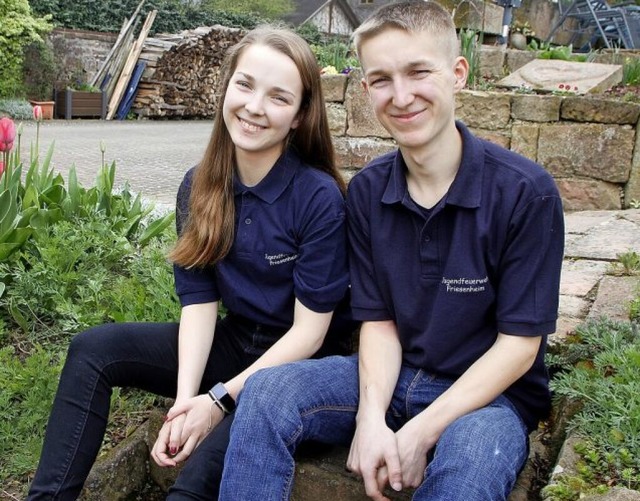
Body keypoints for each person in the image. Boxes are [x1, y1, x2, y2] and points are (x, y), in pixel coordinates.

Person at [218, 2, 565, 500]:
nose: (401, 96)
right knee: (267, 392)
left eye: (419, 71)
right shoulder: (366, 193)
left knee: (470, 468)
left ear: (457, 73)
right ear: (365, 90)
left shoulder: (525, 193)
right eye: (381, 79)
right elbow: (377, 321)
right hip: (393, 375)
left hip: (490, 401)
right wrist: (371, 418)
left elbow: (519, 346)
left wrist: (421, 432)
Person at [27, 25, 355, 501]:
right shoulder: (199, 184)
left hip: (295, 368)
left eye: (279, 97)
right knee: (93, 350)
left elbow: (309, 334)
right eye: (244, 85)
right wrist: (185, 402)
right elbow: (200, 303)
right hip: (236, 341)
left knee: (192, 484)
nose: (254, 106)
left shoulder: (318, 197)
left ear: (301, 116)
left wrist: (218, 401)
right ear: (226, 87)